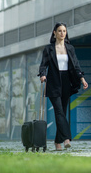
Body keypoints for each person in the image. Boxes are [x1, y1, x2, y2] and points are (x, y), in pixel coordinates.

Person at [38, 22, 88, 151]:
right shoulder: (48, 49)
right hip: (54, 82)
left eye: (64, 31)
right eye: (59, 31)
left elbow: (76, 65)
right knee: (59, 112)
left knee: (63, 112)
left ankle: (57, 141)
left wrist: (82, 79)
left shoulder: (70, 48)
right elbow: (43, 65)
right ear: (54, 33)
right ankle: (66, 138)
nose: (62, 33)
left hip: (66, 82)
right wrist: (42, 75)